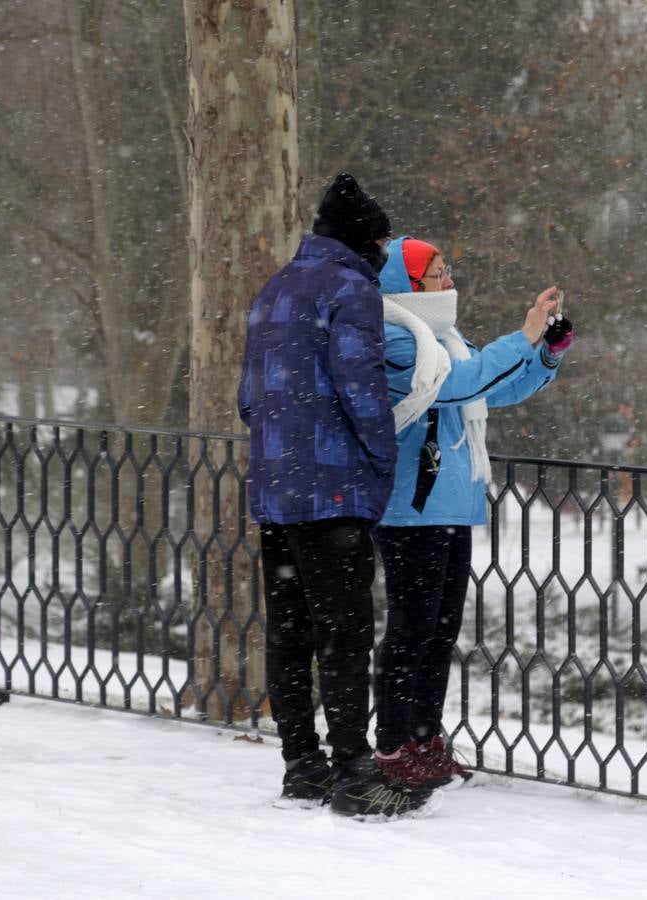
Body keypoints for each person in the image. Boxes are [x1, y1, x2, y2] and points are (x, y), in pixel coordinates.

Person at [236, 175, 441, 819]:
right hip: (334, 491)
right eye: (380, 239)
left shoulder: (274, 289)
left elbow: (248, 398)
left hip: (275, 490)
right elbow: (362, 390)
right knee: (346, 631)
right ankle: (355, 772)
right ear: (365, 239)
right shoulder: (351, 290)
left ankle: (303, 767)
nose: (383, 251)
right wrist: (379, 461)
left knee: (290, 631)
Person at [371, 237, 574, 788]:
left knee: (439, 631)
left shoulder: (445, 339)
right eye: (436, 274)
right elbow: (462, 385)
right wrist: (525, 333)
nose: (448, 281)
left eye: (446, 270)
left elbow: (492, 389)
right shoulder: (394, 337)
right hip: (409, 508)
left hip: (451, 504)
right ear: (406, 284)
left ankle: (423, 736)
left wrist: (545, 354)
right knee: (410, 631)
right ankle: (392, 747)